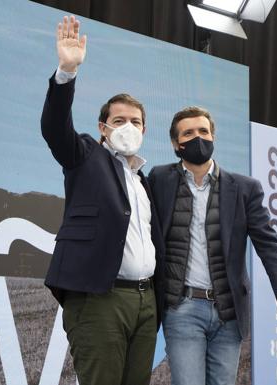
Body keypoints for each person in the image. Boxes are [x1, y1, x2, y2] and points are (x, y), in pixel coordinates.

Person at [41, 15, 165, 385]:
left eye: (136, 122)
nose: (128, 127)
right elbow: (54, 128)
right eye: (119, 120)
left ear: (144, 130)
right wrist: (66, 72)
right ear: (103, 127)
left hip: (145, 303)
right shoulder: (84, 156)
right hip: (100, 300)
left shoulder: (142, 182)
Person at [148, 106, 277, 385]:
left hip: (228, 313)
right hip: (182, 308)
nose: (198, 138)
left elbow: (269, 242)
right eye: (189, 133)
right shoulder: (159, 179)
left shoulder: (244, 188)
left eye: (204, 131)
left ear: (213, 136)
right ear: (175, 143)